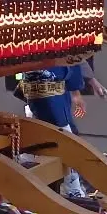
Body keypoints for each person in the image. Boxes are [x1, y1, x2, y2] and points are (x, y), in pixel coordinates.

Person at [17, 64, 88, 200]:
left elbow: (73, 60)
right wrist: (76, 92)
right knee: (63, 138)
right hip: (44, 86)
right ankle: (73, 190)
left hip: (52, 87)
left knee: (51, 137)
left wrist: (76, 92)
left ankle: (71, 188)